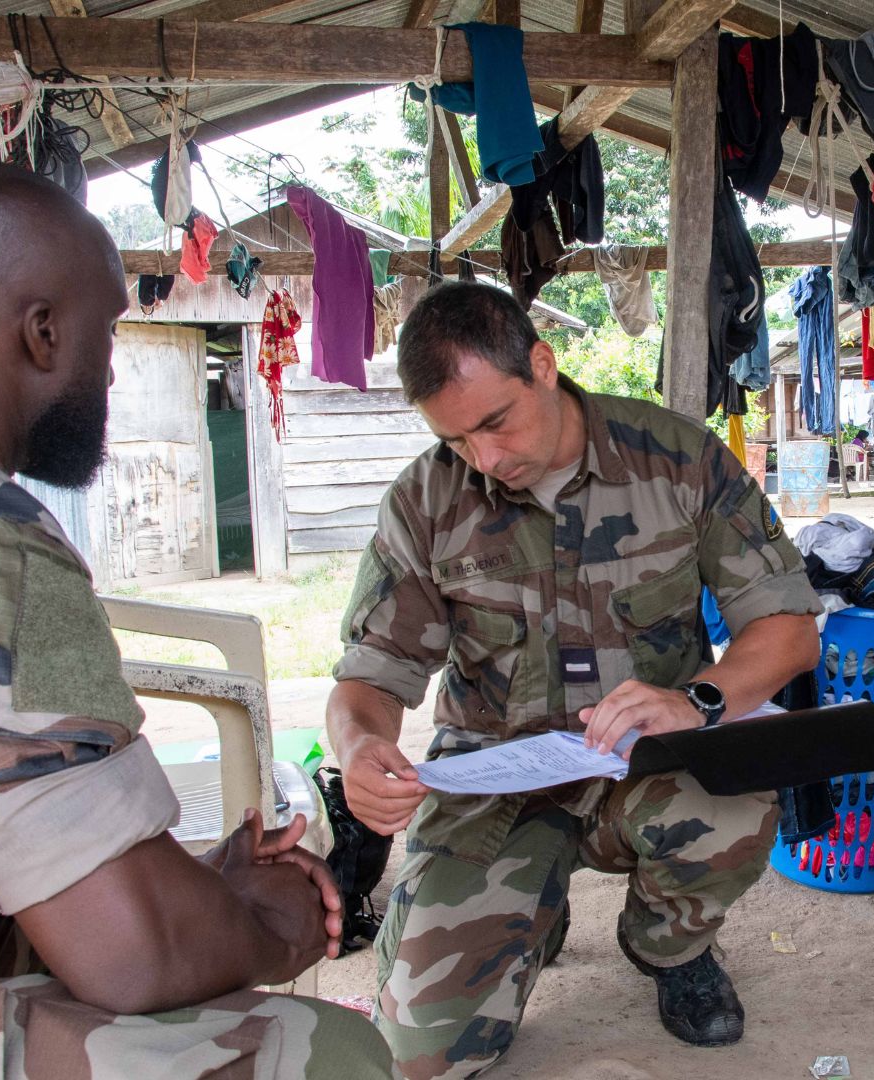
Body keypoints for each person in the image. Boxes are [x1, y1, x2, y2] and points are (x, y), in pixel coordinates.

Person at [0, 159, 387, 1076]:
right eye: (109, 332)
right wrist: (265, 928)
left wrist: (190, 890)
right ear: (44, 333)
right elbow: (138, 958)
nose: (113, 366)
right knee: (319, 1052)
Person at [328, 281, 822, 1080]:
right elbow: (370, 677)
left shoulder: (676, 458)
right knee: (423, 1058)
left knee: (732, 804)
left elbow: (789, 630)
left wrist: (696, 697)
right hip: (497, 784)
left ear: (544, 365)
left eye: (494, 422)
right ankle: (528, 908)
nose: (484, 459)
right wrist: (358, 748)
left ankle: (668, 947)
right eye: (456, 441)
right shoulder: (424, 501)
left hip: (646, 766)